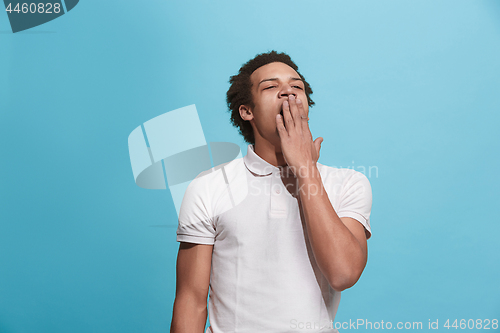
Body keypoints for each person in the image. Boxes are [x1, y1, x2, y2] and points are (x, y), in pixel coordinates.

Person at [170, 51, 372, 333]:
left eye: (297, 86)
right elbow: (191, 301)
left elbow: (343, 273)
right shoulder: (208, 186)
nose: (288, 91)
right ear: (246, 111)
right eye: (270, 86)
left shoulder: (349, 182)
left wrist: (305, 170)